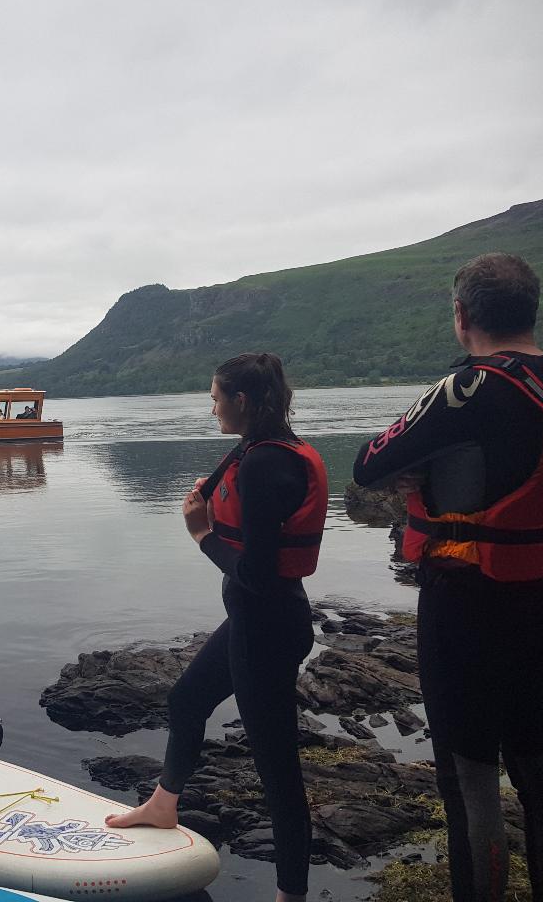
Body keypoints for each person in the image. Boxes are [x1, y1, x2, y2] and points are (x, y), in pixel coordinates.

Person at [352, 253, 543, 902]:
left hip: (466, 604)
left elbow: (368, 461)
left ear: (463, 317)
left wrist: (421, 471)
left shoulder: (468, 389)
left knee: (470, 780)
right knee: (539, 763)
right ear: (531, 310)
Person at [106, 353, 325, 902]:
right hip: (257, 621)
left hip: (267, 626)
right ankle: (163, 805)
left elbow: (254, 573)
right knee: (186, 701)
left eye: (215, 398)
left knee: (277, 770)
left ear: (241, 401)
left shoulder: (264, 463)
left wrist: (202, 534)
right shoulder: (258, 451)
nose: (211, 408)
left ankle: (290, 894)